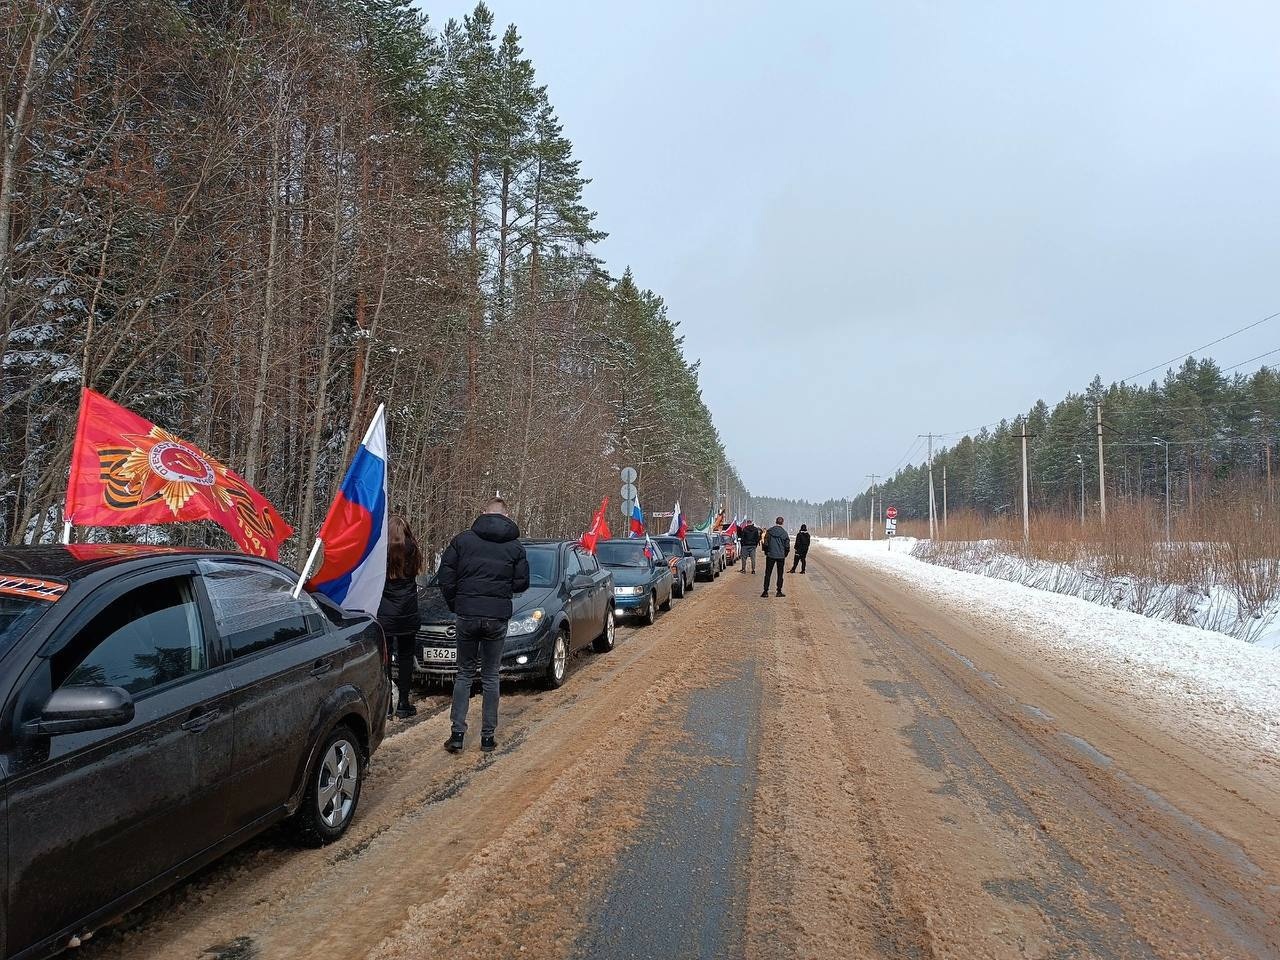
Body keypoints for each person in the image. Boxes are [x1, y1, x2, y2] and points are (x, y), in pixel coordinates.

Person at [438, 498, 529, 754]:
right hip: (496, 616)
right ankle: (487, 737)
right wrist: (499, 589)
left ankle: (457, 734)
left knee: (464, 673)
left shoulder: (462, 541)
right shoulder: (515, 547)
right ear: (506, 515)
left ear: (483, 512)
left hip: (467, 613)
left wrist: (457, 602)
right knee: (490, 676)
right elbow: (522, 583)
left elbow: (446, 576)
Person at [378, 514, 424, 720]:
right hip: (407, 612)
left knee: (384, 660)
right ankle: (404, 702)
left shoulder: (380, 553)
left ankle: (386, 704)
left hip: (384, 614)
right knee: (405, 658)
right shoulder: (413, 551)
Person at [761, 517, 790, 598]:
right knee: (780, 574)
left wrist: (767, 552)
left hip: (770, 555)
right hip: (781, 556)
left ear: (775, 522)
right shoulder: (784, 533)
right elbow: (787, 546)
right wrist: (785, 554)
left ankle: (765, 591)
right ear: (782, 523)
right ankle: (779, 591)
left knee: (768, 573)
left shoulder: (769, 532)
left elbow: (765, 543)